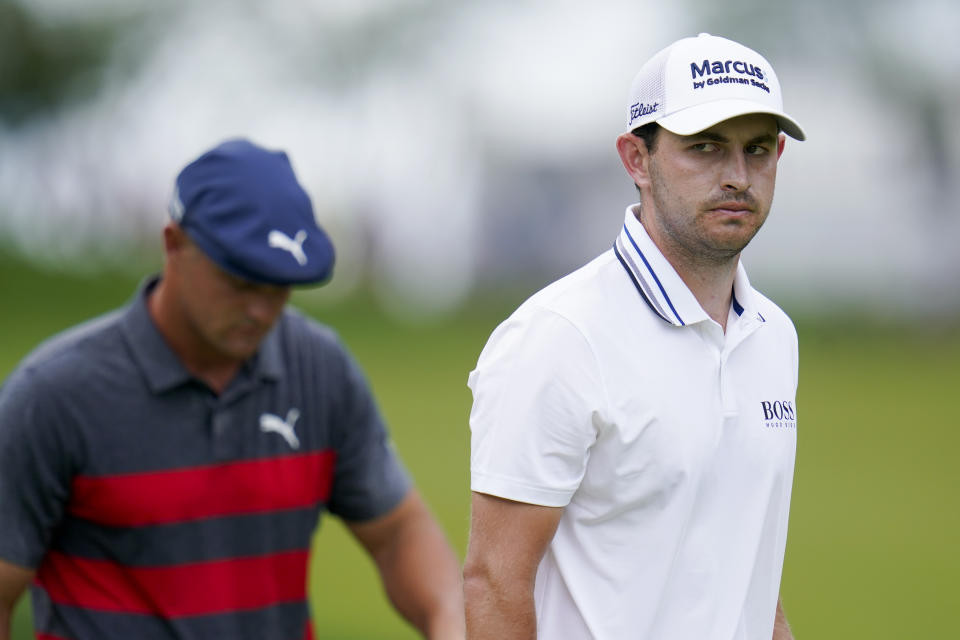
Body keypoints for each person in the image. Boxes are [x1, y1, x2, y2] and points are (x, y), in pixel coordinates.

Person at [0, 139, 465, 640]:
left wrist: (450, 622)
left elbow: (398, 534)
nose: (262, 310)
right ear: (174, 243)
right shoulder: (54, 395)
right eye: (241, 283)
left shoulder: (319, 369)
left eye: (279, 286)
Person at [463, 33, 805, 639]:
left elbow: (750, 569)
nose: (737, 176)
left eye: (757, 150)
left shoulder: (774, 335)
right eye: (705, 147)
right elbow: (495, 580)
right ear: (636, 159)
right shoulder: (560, 336)